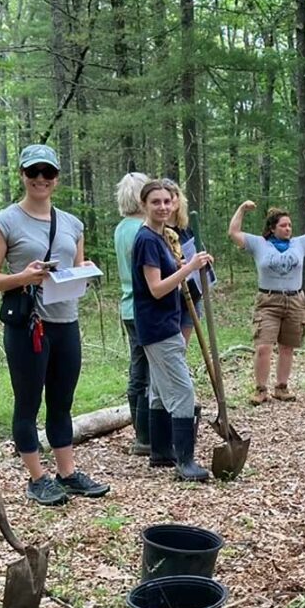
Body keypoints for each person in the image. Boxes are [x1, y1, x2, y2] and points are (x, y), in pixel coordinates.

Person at [0, 144, 110, 506]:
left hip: (65, 321)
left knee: (62, 401)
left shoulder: (72, 223)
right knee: (28, 401)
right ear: (22, 174)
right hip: (28, 325)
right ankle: (37, 477)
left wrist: (85, 271)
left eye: (48, 173)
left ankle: (67, 474)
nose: (41, 179)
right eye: (33, 172)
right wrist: (22, 276)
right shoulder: (4, 222)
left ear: (56, 178)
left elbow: (75, 269)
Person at [132, 180, 214, 481]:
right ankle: (185, 461)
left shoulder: (162, 236)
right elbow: (156, 289)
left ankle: (161, 451)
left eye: (167, 201)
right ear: (144, 205)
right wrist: (189, 268)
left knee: (157, 389)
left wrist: (196, 263)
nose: (163, 207)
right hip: (158, 325)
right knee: (182, 390)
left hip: (161, 322)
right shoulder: (147, 241)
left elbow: (172, 270)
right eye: (156, 202)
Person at [227, 198, 305, 404]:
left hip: (294, 300)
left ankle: (281, 387)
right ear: (272, 229)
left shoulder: (299, 243)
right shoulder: (259, 244)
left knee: (287, 346)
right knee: (263, 346)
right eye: (283, 225)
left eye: (290, 225)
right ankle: (260, 389)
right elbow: (234, 233)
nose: (288, 228)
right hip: (268, 300)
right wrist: (242, 210)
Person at [113, 171, 151, 457]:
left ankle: (144, 433)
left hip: (129, 305)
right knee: (143, 372)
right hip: (142, 306)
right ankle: (145, 435)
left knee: (138, 369)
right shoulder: (142, 230)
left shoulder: (121, 228)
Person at [160, 178, 205, 345]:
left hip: (193, 293)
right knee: (172, 348)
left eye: (172, 198)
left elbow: (196, 251)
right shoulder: (158, 232)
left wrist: (204, 259)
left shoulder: (186, 228)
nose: (169, 204)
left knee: (181, 347)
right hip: (172, 297)